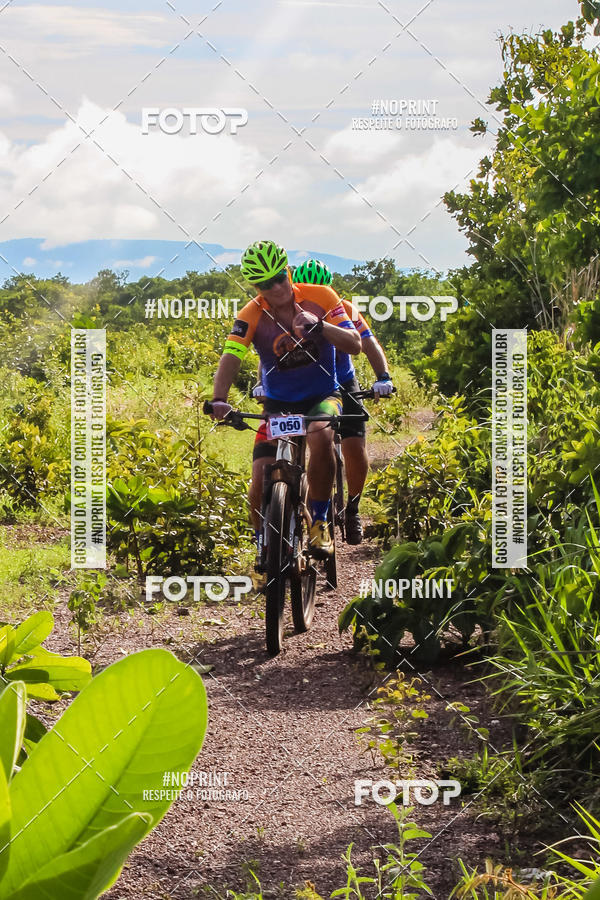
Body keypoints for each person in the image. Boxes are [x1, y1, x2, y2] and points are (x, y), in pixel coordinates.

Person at [208, 240, 361, 558]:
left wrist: (321, 328)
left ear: (287, 271)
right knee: (261, 473)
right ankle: (262, 542)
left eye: (279, 278)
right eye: (265, 284)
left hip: (323, 395)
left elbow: (355, 344)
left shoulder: (322, 298)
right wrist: (219, 399)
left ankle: (320, 523)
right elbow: (231, 356)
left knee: (320, 436)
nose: (275, 288)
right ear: (256, 286)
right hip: (279, 404)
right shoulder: (251, 314)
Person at [255, 259, 394, 544]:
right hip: (303, 387)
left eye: (322, 287)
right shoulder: (281, 312)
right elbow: (271, 356)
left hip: (341, 380)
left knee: (354, 445)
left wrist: (384, 377)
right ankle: (295, 505)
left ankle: (352, 506)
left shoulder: (343, 310)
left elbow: (368, 344)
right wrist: (261, 384)